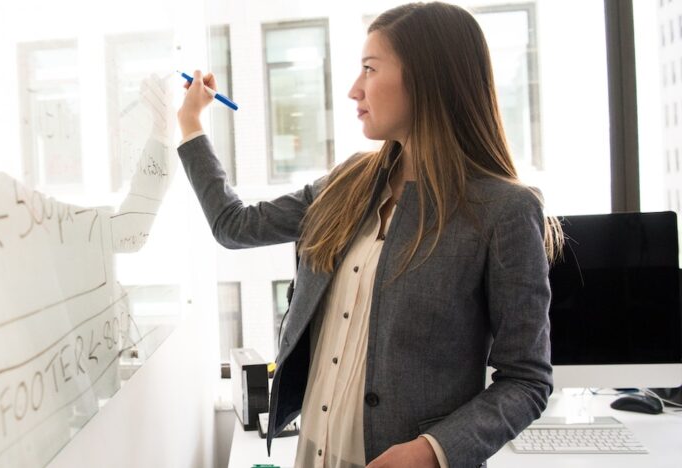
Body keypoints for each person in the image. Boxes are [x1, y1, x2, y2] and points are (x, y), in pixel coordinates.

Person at [176, 2, 563, 468]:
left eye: (369, 68)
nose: (353, 89)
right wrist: (191, 124)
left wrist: (430, 452)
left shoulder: (503, 210)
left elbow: (526, 380)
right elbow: (233, 226)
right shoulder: (348, 183)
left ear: (427, 78)